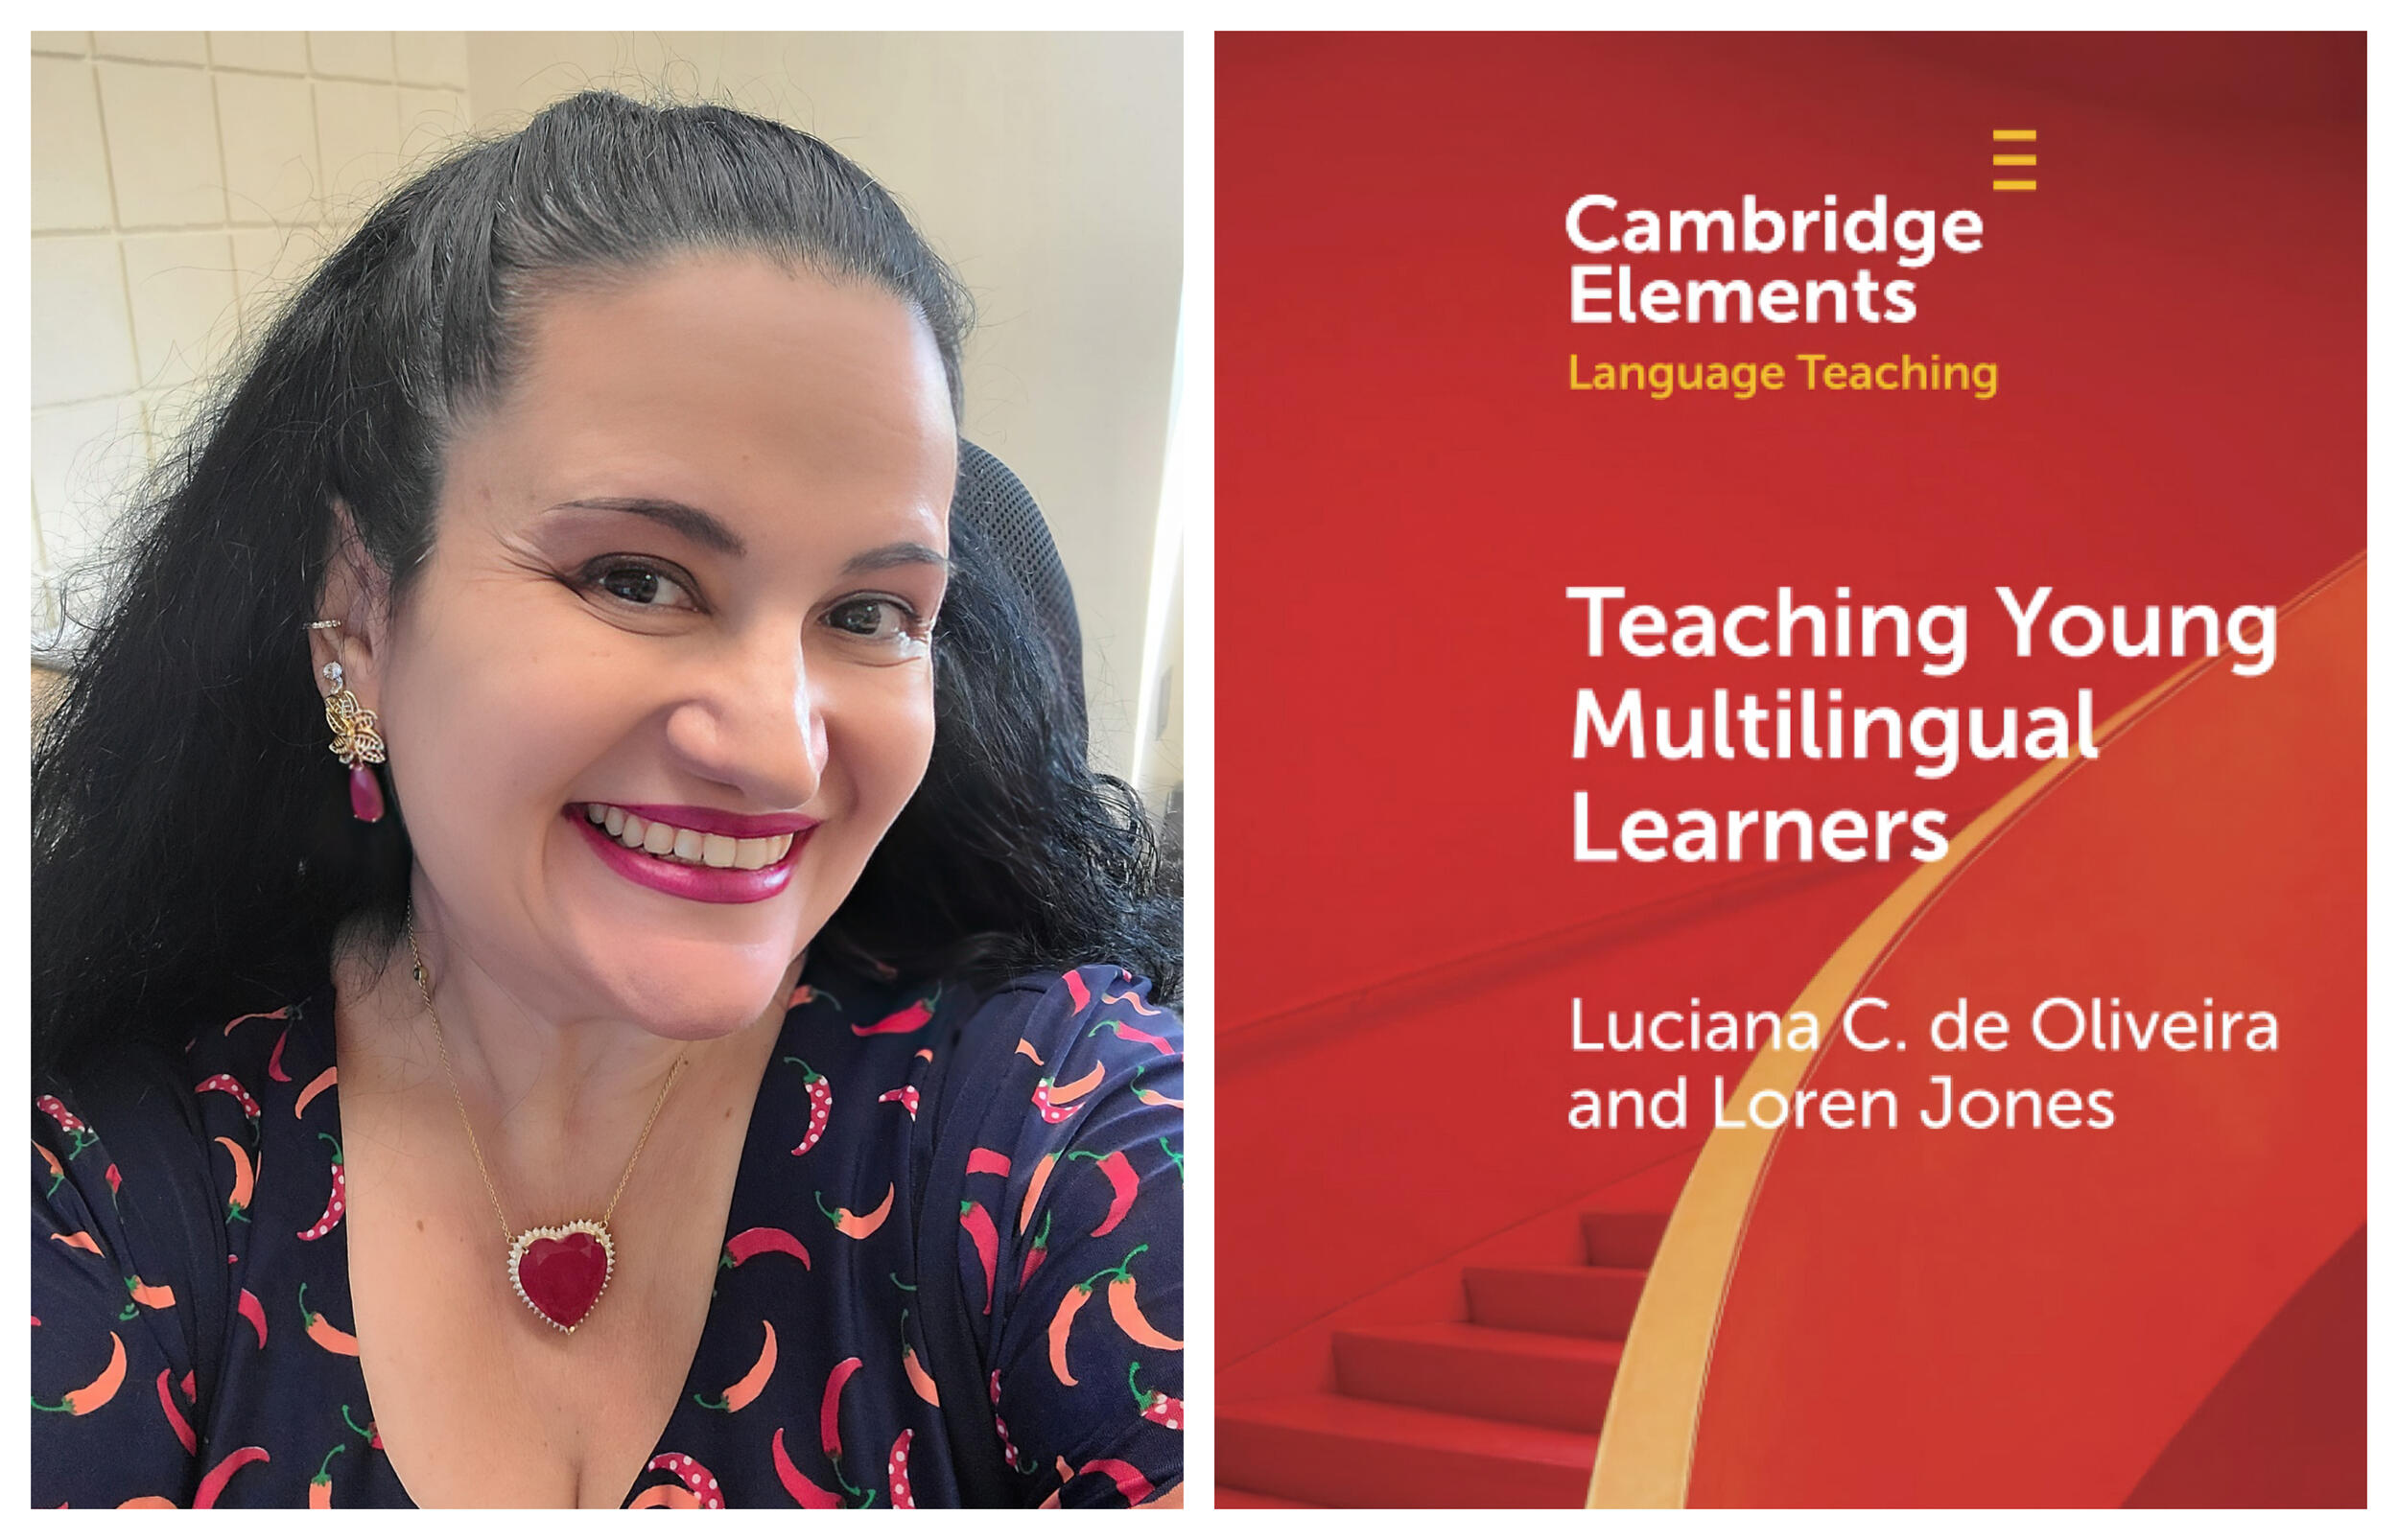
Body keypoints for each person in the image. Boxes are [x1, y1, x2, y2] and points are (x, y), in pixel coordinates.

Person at [31, 91, 1183, 1509]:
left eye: (873, 610)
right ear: (358, 617)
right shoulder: (119, 1184)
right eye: (636, 579)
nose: (777, 751)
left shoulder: (1052, 1131)